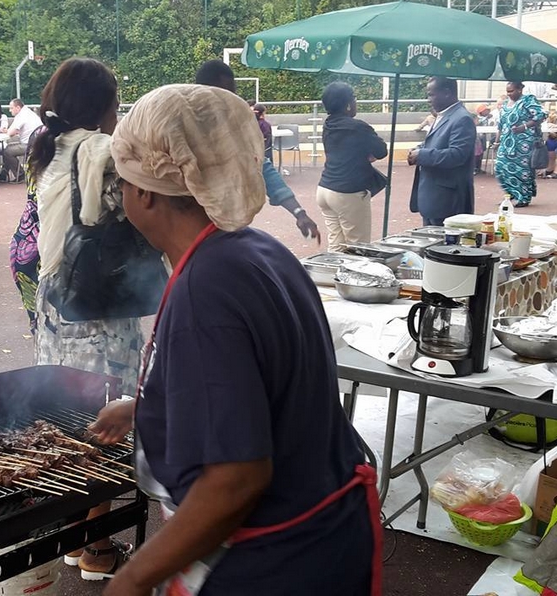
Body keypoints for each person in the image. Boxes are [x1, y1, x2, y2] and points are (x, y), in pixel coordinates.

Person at [92, 83, 379, 596]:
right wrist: (147, 406)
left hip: (275, 565)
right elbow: (262, 386)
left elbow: (236, 480)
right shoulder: (257, 250)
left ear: (146, 192)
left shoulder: (207, 290)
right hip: (327, 539)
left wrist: (133, 579)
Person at [26, 57, 142, 581]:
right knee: (106, 422)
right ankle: (95, 547)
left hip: (56, 306)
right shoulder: (102, 151)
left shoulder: (49, 147)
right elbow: (136, 211)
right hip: (98, 308)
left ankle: (75, 536)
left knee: (72, 416)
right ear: (103, 104)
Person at [194, 60, 320, 243]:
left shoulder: (234, 125)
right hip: (190, 225)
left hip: (227, 223)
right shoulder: (182, 123)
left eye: (232, 94)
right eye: (222, 94)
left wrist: (299, 212)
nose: (229, 100)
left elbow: (261, 167)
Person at [316, 82, 388, 249]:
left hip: (325, 189)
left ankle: (331, 275)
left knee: (336, 244)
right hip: (348, 192)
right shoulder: (358, 127)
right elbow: (381, 151)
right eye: (354, 98)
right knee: (358, 247)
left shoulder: (328, 125)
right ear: (348, 104)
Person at [408, 77, 476, 226]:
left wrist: (422, 155)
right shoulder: (444, 115)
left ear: (446, 93)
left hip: (448, 201)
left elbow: (457, 155)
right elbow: (433, 143)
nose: (428, 99)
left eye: (431, 94)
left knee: (442, 246)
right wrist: (418, 149)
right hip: (435, 198)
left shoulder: (462, 119)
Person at [495, 81, 547, 207]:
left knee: (521, 171)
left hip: (524, 143)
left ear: (520, 89)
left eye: (511, 91)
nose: (509, 94)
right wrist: (497, 141)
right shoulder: (506, 104)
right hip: (507, 142)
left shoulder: (528, 100)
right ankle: (511, 193)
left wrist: (524, 126)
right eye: (507, 91)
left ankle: (523, 197)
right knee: (500, 168)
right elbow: (500, 125)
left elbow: (541, 115)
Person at [0, 98, 42, 182]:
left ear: (18, 108)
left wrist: (6, 131)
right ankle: (3, 174)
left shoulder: (21, 116)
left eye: (11, 108)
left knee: (7, 151)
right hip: (38, 142)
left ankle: (20, 174)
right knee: (8, 148)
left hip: (30, 145)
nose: (9, 110)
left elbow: (11, 133)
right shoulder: (29, 113)